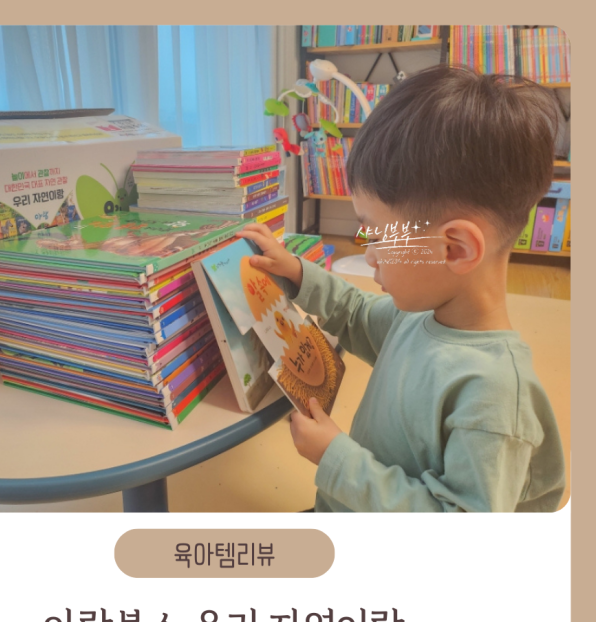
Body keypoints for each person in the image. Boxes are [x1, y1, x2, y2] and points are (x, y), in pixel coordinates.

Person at [237, 65, 566, 512]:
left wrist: (336, 459)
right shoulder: (418, 316)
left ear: (454, 248)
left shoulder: (494, 399)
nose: (368, 253)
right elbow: (355, 313)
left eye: (376, 234)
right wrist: (296, 271)